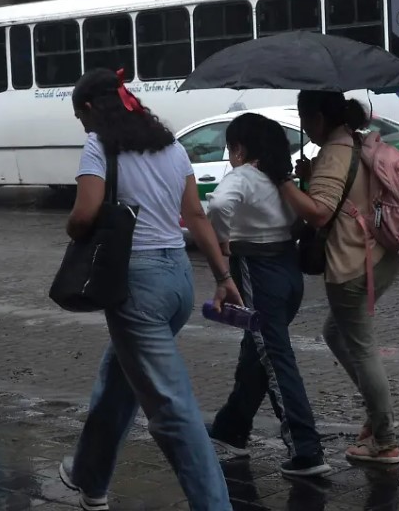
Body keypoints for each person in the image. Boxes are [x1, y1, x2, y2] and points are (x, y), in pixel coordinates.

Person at [59, 69, 240, 510]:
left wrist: (73, 227)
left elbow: (85, 213)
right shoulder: (171, 147)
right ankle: (89, 477)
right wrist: (223, 277)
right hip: (178, 281)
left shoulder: (98, 145)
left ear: (90, 109)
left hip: (136, 288)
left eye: (79, 117)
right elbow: (195, 216)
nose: (82, 126)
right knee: (118, 380)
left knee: (173, 410)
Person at [279, 92, 399, 465]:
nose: (303, 126)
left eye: (304, 118)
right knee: (335, 333)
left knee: (362, 349)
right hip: (380, 255)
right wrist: (310, 178)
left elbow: (319, 213)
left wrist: (285, 183)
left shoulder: (334, 152)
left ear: (317, 118)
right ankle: (377, 415)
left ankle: (384, 439)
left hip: (351, 263)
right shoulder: (356, 141)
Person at [206, 113, 328, 477]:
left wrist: (223, 243)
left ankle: (305, 448)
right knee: (256, 352)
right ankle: (231, 428)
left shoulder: (243, 176)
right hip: (289, 272)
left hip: (258, 273)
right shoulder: (283, 179)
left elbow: (217, 205)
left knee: (274, 357)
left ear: (239, 149)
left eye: (230, 149)